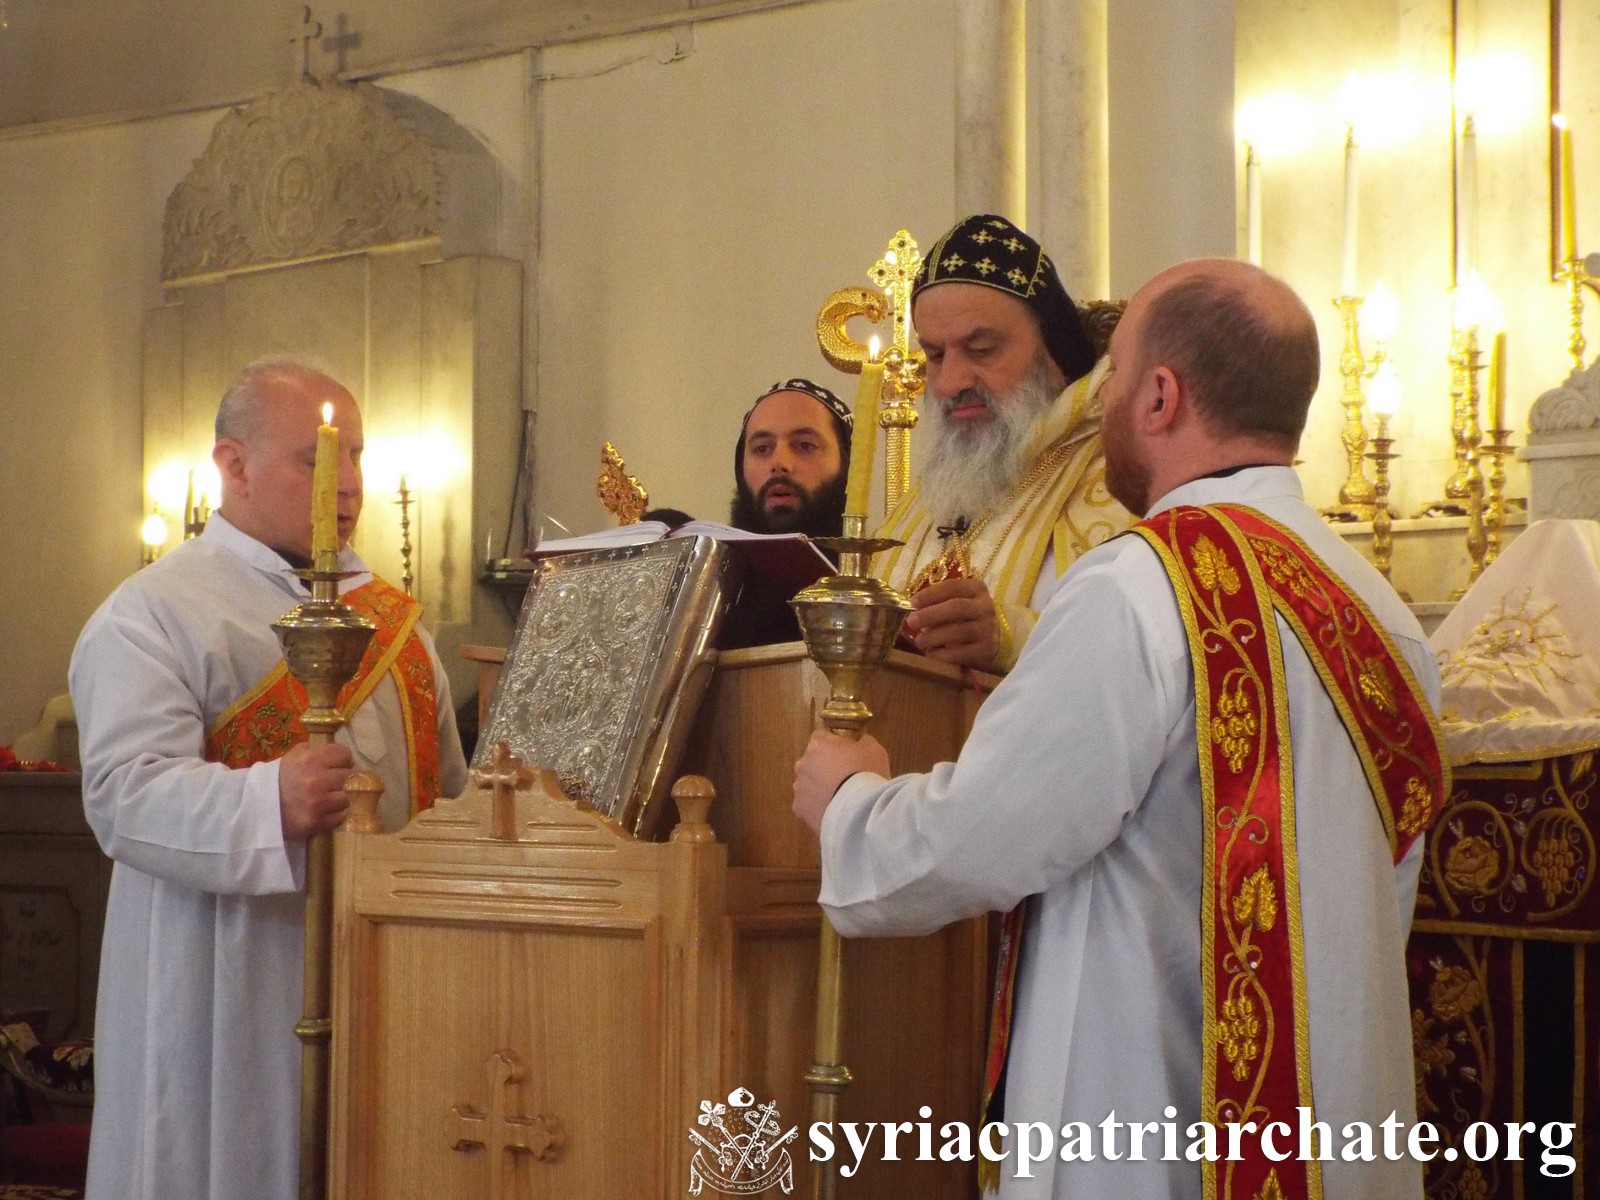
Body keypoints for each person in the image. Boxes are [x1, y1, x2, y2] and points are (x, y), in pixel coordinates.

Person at [794, 259, 1446, 1198]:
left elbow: (988, 833)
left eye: (1116, 385)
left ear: (1161, 397)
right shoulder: (1381, 612)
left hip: (1145, 1125)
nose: (1098, 420)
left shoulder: (1141, 587)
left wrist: (851, 801)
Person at [71, 358, 469, 1200]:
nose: (349, 483)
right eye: (317, 459)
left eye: (357, 457)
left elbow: (452, 802)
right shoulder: (154, 613)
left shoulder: (400, 629)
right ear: (234, 464)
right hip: (221, 994)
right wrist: (268, 801)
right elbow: (123, 796)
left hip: (393, 990)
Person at [874, 213, 1129, 673]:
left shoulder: (1119, 478)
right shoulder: (928, 501)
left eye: (982, 350)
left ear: (1055, 350)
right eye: (934, 354)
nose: (950, 382)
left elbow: (1143, 656)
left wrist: (1009, 639)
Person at [718, 378, 851, 648]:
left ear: (847, 465)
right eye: (761, 449)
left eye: (804, 446)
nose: (779, 463)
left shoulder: (885, 582)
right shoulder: (716, 590)